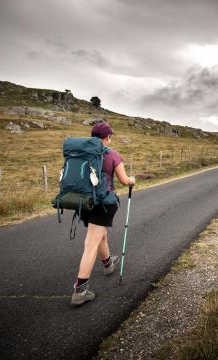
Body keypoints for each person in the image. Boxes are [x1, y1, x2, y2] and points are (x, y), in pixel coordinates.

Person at [71, 122, 136, 306]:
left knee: (100, 235)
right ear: (107, 137)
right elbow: (124, 180)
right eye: (110, 136)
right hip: (103, 202)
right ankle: (80, 290)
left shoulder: (83, 154)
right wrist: (132, 180)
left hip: (84, 202)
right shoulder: (112, 154)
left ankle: (108, 264)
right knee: (91, 243)